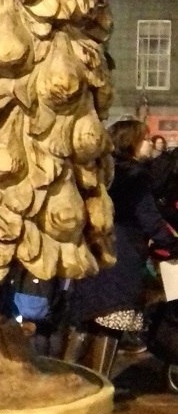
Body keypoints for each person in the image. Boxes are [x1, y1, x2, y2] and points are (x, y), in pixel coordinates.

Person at [65, 119, 178, 377]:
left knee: (87, 321)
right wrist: (172, 244)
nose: (150, 144)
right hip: (121, 256)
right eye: (145, 140)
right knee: (111, 323)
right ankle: (100, 385)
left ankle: (69, 380)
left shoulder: (99, 172)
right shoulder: (135, 177)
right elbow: (149, 219)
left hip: (93, 252)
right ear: (132, 143)